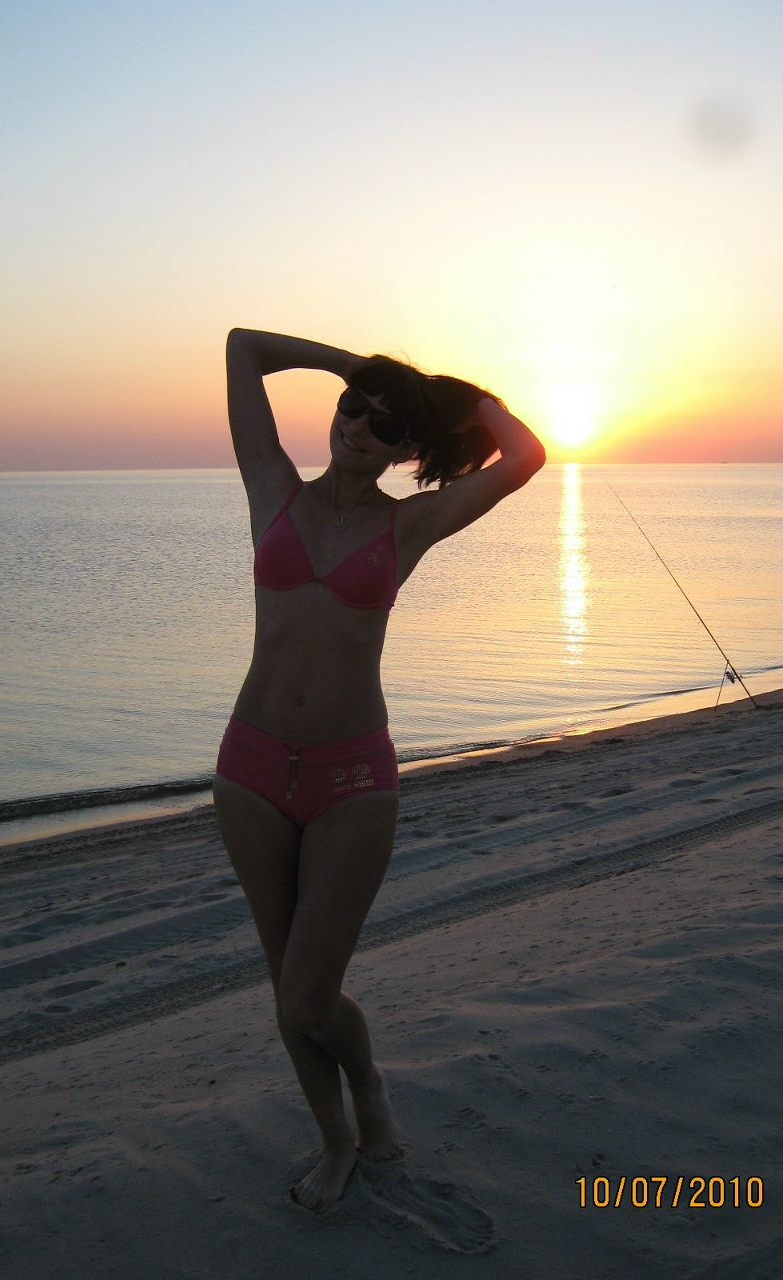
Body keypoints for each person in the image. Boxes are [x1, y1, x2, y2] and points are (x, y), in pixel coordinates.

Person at [213, 328, 545, 1211]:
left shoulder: (412, 523)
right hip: (249, 770)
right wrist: (351, 365)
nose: (358, 426)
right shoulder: (271, 489)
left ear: (407, 450)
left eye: (386, 424)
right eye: (352, 409)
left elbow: (525, 456)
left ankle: (369, 1083)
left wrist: (458, 399)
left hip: (353, 780)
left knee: (310, 995)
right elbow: (243, 348)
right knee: (288, 991)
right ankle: (337, 1140)